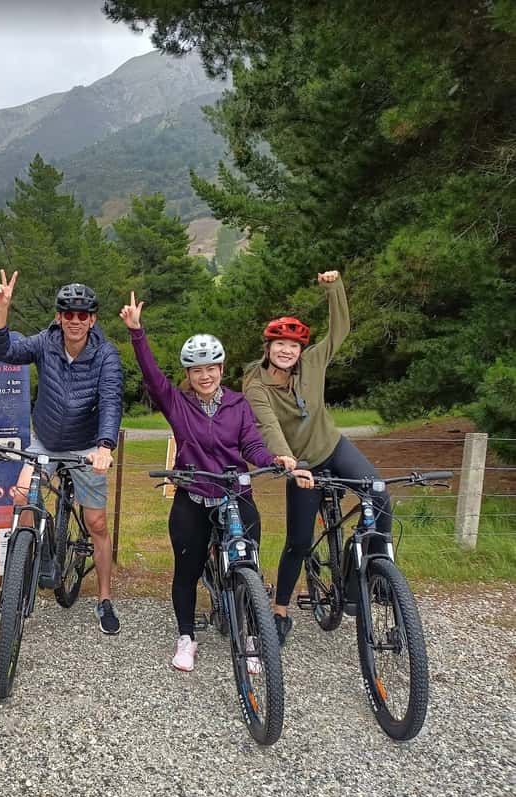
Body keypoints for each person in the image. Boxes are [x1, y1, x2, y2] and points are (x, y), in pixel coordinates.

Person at [120, 291, 304, 671]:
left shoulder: (238, 404)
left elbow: (252, 443)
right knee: (186, 570)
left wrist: (273, 459)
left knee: (248, 566)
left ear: (221, 369)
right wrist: (137, 332)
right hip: (194, 494)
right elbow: (153, 377)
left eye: (212, 368)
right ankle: (187, 637)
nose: (205, 376)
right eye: (197, 370)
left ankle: (252, 633)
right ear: (188, 375)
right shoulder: (178, 403)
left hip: (237, 494)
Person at [242, 270, 391, 645]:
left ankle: (371, 572)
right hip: (301, 462)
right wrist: (288, 462)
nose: (287, 351)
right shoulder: (255, 383)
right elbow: (268, 425)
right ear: (268, 347)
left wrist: (334, 289)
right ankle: (280, 611)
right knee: (299, 541)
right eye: (280, 344)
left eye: (293, 345)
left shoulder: (313, 361)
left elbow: (340, 328)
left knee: (380, 495)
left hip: (333, 446)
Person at [0, 270, 123, 635]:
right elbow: (3, 351)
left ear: (92, 319)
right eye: (68, 314)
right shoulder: (45, 343)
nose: (75, 321)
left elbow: (110, 400)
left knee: (96, 524)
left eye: (83, 315)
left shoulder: (106, 355)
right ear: (59, 317)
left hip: (86, 445)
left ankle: (105, 598)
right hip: (45, 440)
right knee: (22, 498)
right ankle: (25, 566)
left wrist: (105, 447)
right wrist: (2, 310)